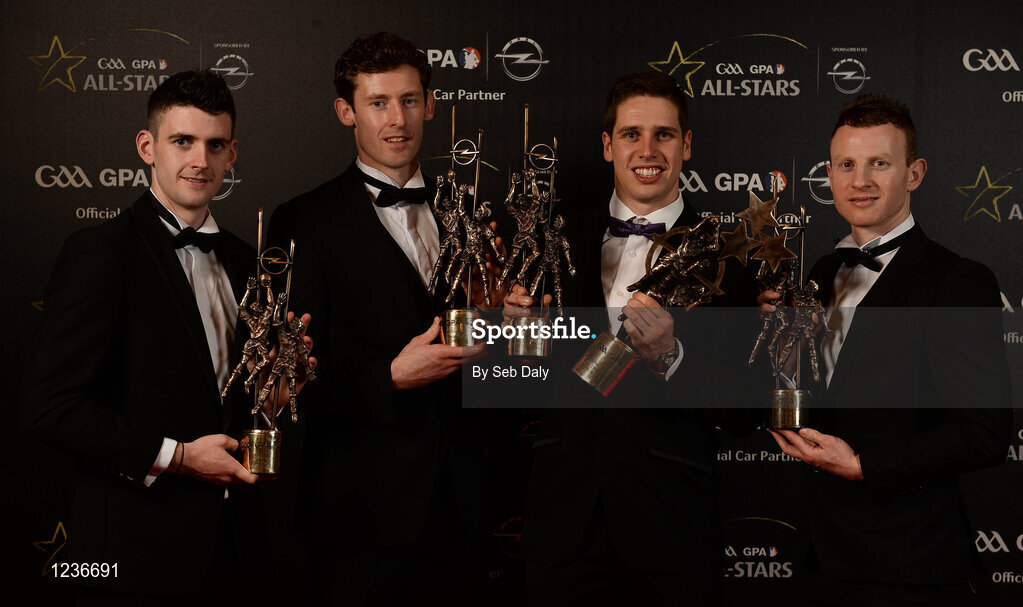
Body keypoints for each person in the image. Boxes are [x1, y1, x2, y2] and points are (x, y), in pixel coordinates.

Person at [26, 70, 314, 604]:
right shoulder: (101, 253)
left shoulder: (245, 261)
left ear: (232, 154)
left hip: (241, 551)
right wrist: (178, 457)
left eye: (214, 144)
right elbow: (51, 407)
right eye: (182, 141)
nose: (199, 161)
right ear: (147, 146)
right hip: (136, 553)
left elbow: (228, 398)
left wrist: (276, 394)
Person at [505, 71, 760, 606]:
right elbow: (516, 390)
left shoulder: (730, 259)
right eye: (631, 134)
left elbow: (744, 407)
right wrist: (516, 342)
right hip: (563, 530)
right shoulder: (549, 241)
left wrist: (672, 356)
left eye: (664, 134)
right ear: (607, 145)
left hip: (675, 534)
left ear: (686, 145)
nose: (648, 150)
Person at [267, 32, 496, 605]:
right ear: (346, 112)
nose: (398, 120)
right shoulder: (304, 222)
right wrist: (389, 377)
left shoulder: (473, 212)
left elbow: (511, 364)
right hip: (358, 518)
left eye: (410, 100)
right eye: (378, 103)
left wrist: (512, 327)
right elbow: (288, 377)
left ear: (431, 104)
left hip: (466, 507)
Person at [765, 94, 1012, 605]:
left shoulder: (958, 281)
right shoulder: (816, 275)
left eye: (880, 163)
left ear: (914, 174)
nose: (861, 181)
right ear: (829, 176)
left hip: (911, 568)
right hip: (819, 559)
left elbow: (985, 434)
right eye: (847, 165)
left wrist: (864, 465)